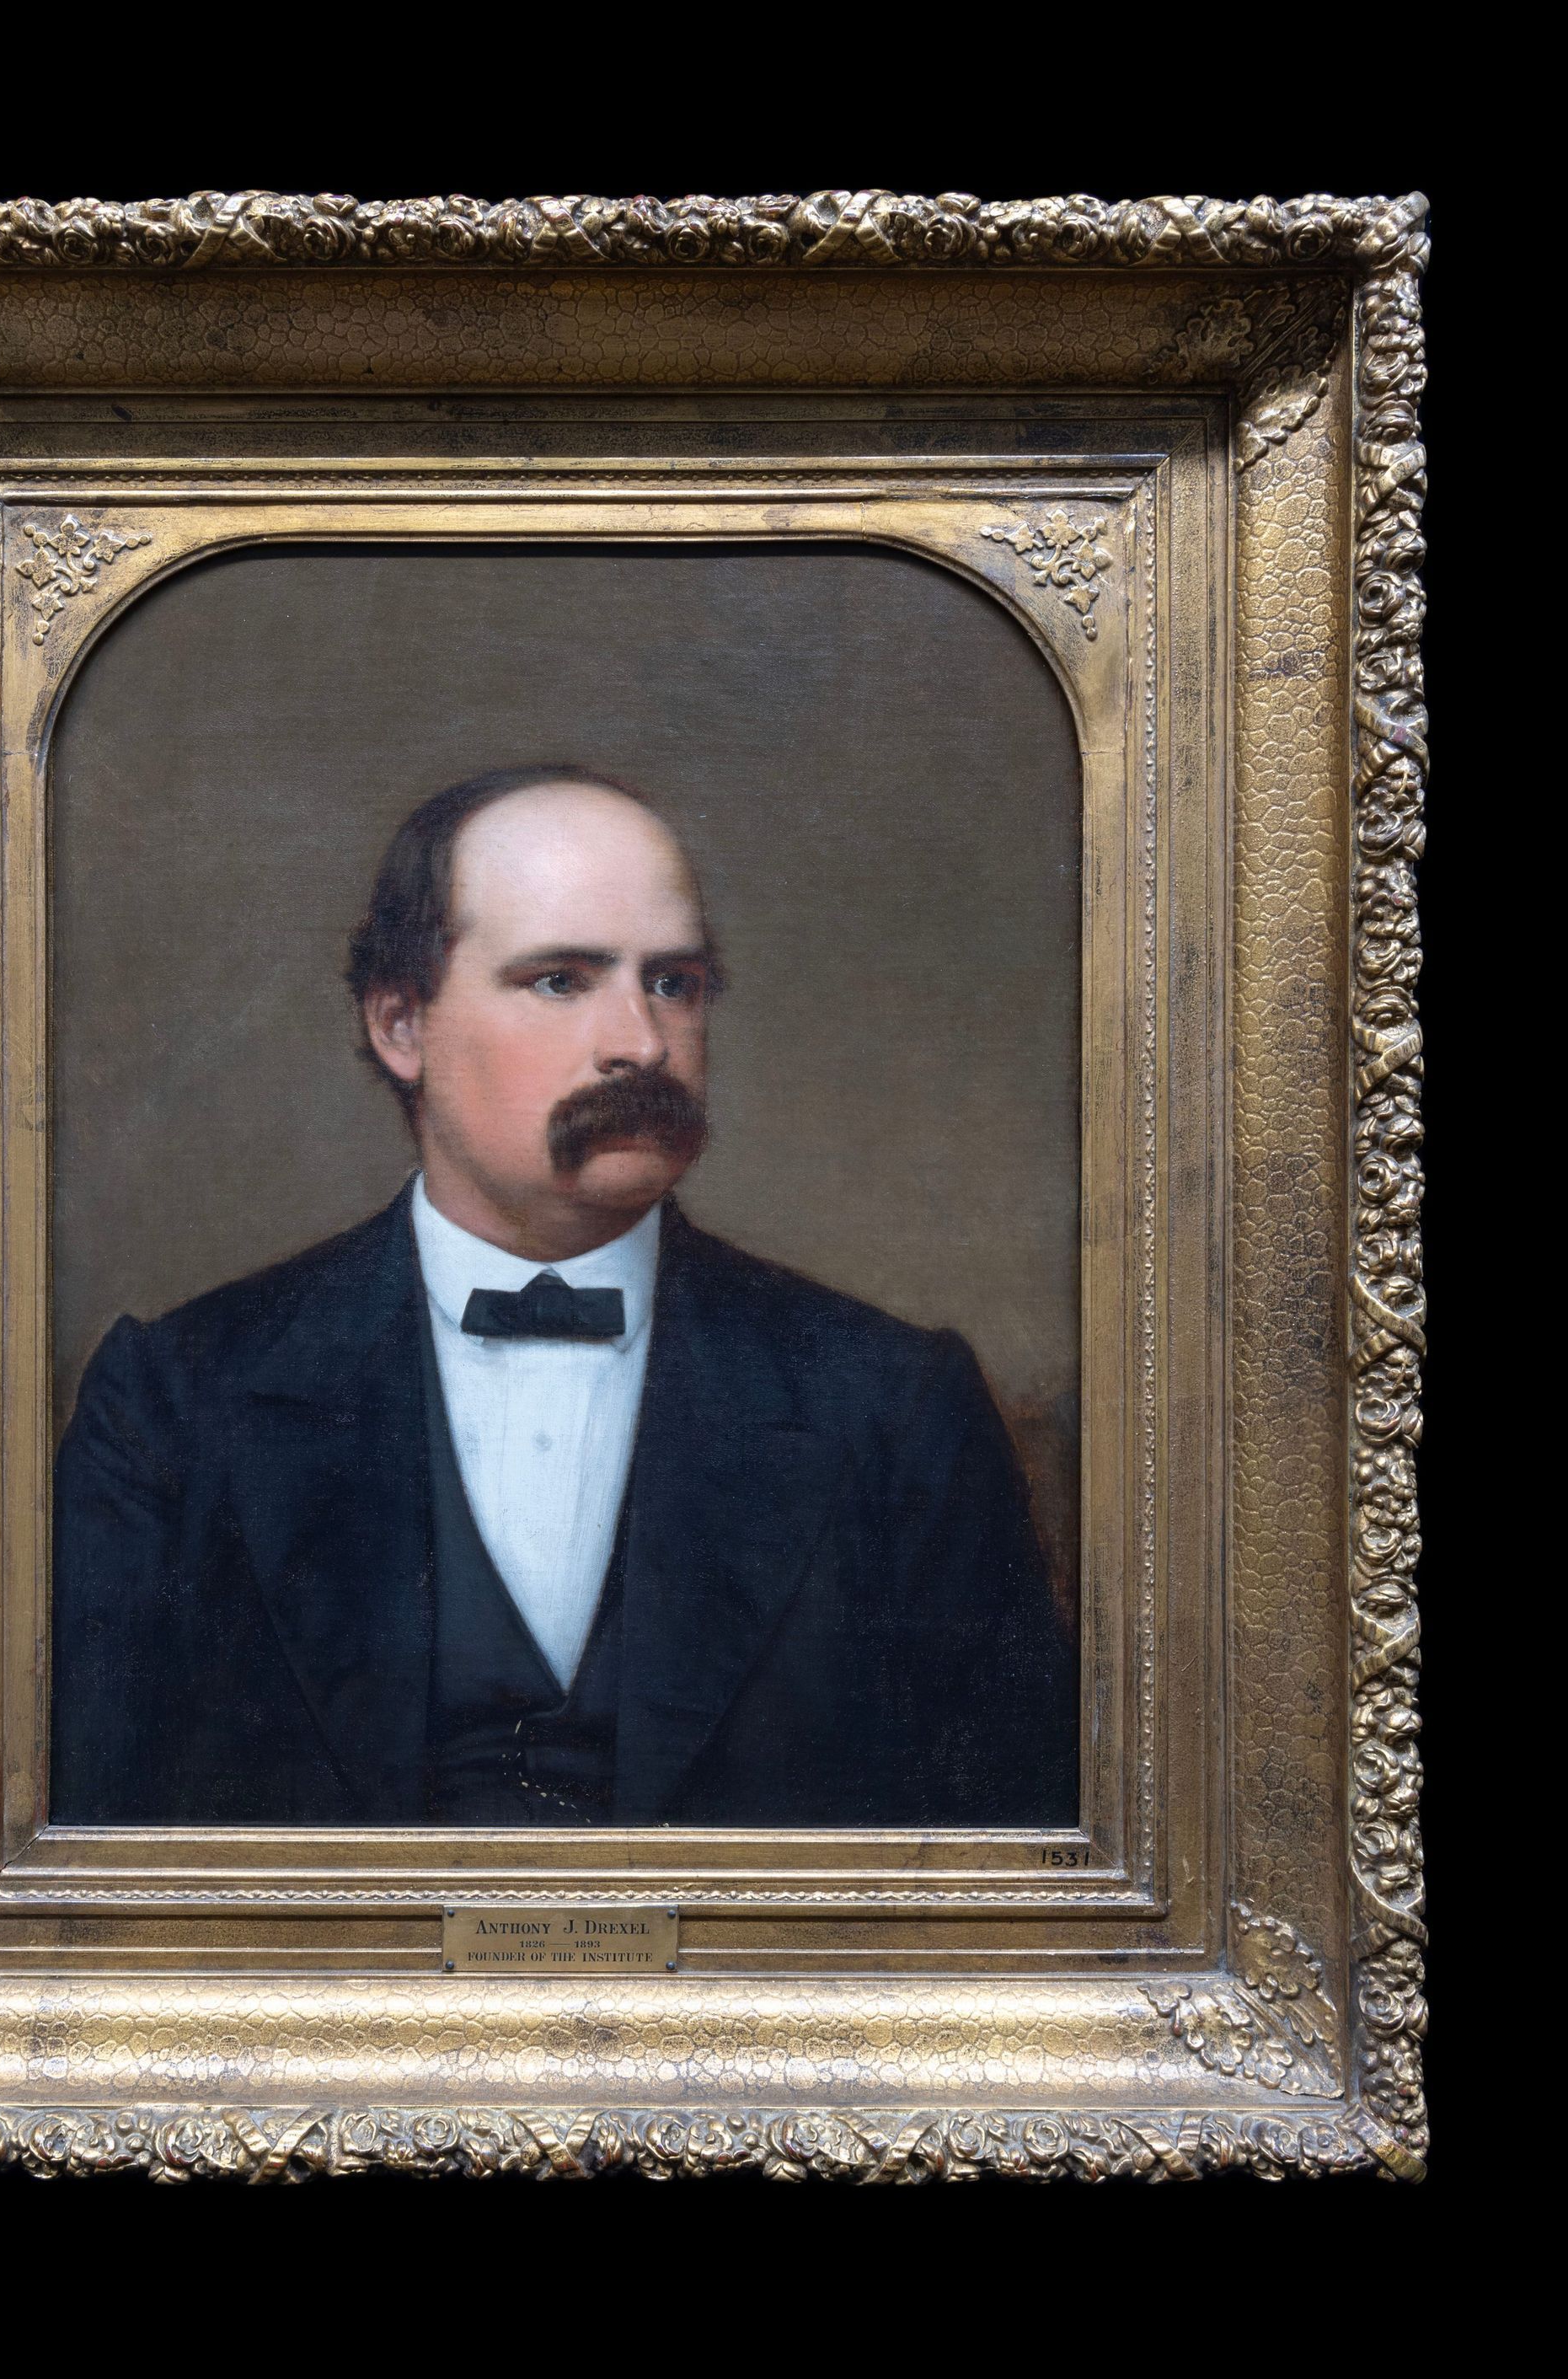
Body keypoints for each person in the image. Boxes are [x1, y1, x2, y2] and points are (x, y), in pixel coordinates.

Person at [52, 766, 1076, 1828]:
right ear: (401, 1025)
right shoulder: (173, 1402)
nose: (642, 1041)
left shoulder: (895, 1405)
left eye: (673, 982)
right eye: (561, 981)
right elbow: (83, 1860)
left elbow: (1018, 1858)